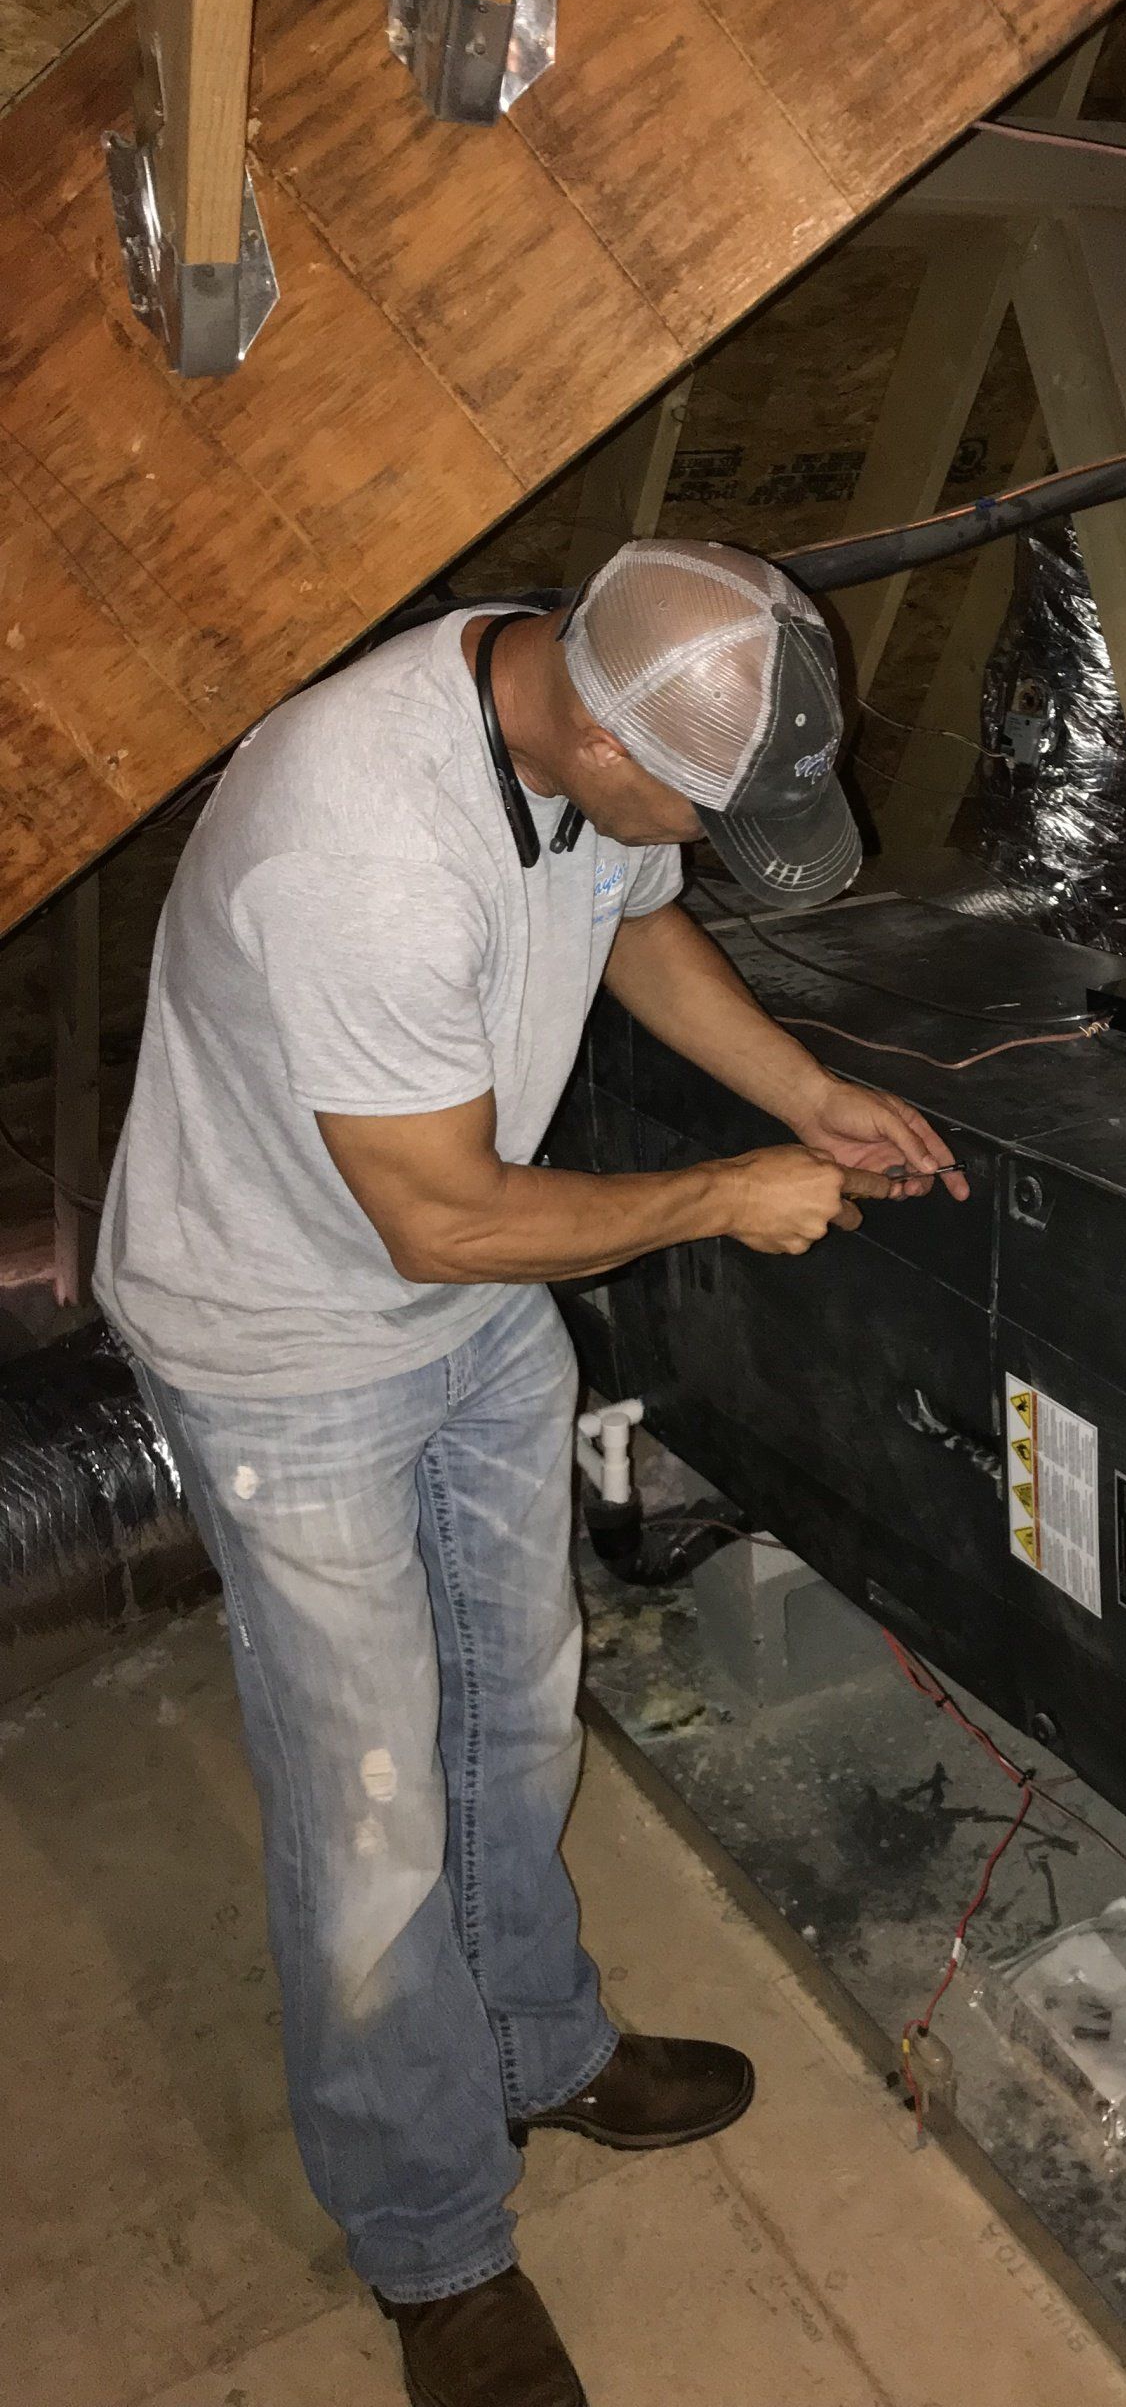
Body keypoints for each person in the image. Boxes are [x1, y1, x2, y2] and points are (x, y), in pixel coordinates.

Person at [94, 541, 966, 2407]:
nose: (716, 847)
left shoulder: (582, 737)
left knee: (516, 1702)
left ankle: (541, 2047)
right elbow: (437, 1217)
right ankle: (430, 2242)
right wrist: (725, 1197)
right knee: (373, 1804)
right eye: (712, 813)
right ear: (593, 718)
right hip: (292, 1333)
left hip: (464, 1303)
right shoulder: (364, 844)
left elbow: (635, 917)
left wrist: (798, 1096)